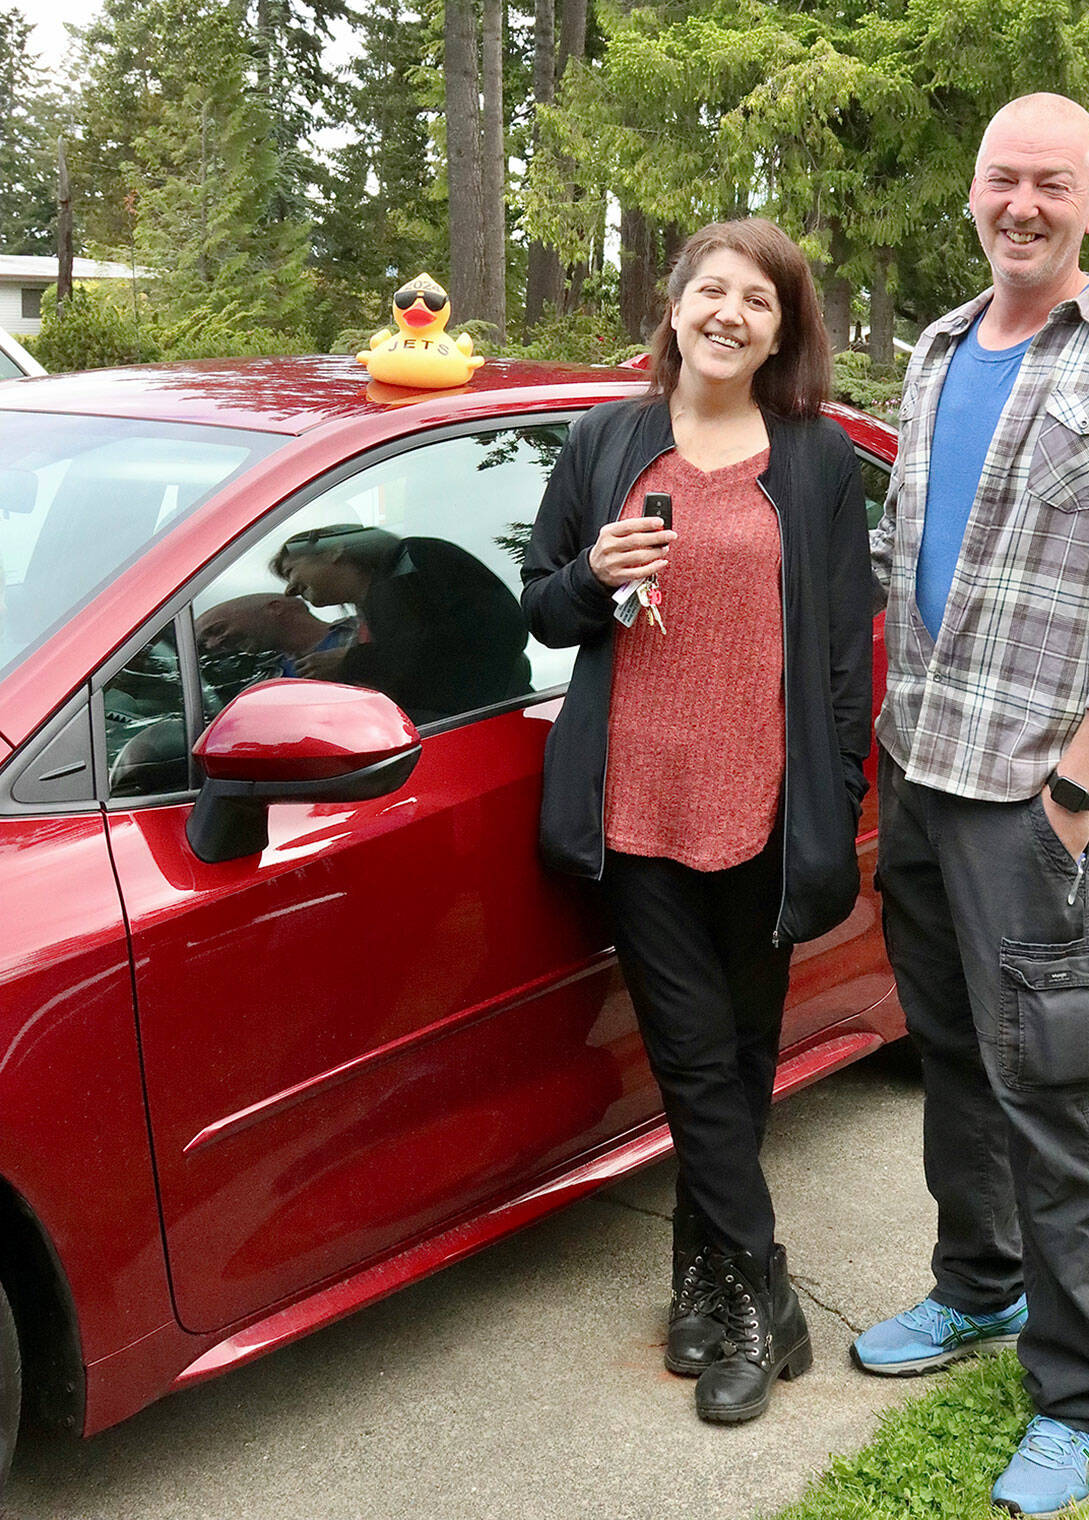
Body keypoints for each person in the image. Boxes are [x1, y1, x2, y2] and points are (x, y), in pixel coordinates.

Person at [851, 94, 1089, 1515]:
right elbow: (909, 558)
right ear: (972, 191)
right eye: (1002, 178)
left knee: (1054, 1093)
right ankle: (979, 1283)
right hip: (923, 767)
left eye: (1050, 183)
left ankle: (1078, 1394)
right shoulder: (942, 346)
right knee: (952, 1054)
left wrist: (1079, 785)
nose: (1021, 203)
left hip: (1034, 792)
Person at [521, 218, 874, 1424]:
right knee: (688, 1054)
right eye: (710, 290)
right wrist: (591, 577)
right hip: (636, 806)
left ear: (782, 331)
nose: (729, 312)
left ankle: (702, 1278)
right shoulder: (605, 441)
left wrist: (835, 799)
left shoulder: (815, 461)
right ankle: (764, 1297)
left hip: (764, 810)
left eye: (757, 300)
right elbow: (541, 606)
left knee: (739, 1058)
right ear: (673, 308)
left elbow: (842, 661)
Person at [270, 524, 532, 724]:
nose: (289, 590)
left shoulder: (414, 560)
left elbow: (489, 635)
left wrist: (352, 661)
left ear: (333, 550)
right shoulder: (375, 606)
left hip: (496, 724)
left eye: (291, 571)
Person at [195, 593, 357, 676]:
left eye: (218, 630)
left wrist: (354, 661)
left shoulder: (365, 630)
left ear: (275, 608)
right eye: (204, 644)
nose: (213, 645)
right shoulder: (261, 685)